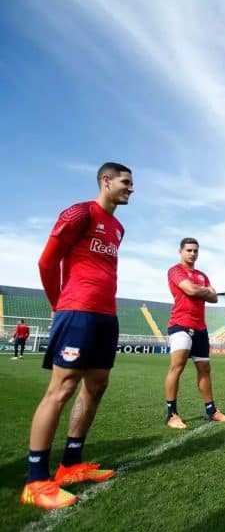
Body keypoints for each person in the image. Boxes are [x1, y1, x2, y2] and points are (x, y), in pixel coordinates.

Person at [21, 162, 132, 509]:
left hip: (106, 315)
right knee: (63, 388)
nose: (131, 188)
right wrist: (58, 304)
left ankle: (70, 465)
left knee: (97, 384)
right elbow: (46, 262)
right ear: (106, 180)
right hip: (77, 310)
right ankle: (35, 480)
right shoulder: (79, 213)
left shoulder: (118, 227)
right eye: (126, 182)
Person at [164, 238, 225, 429]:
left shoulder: (202, 275)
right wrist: (204, 291)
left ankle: (212, 411)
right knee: (177, 367)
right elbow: (190, 290)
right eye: (189, 250)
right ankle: (172, 414)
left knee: (204, 370)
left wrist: (200, 291)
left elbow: (214, 298)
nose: (192, 254)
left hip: (201, 328)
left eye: (195, 251)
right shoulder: (175, 270)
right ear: (180, 251)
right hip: (180, 325)